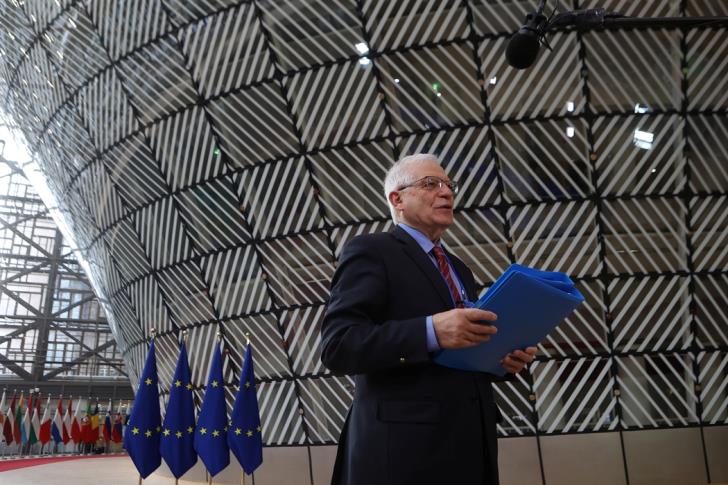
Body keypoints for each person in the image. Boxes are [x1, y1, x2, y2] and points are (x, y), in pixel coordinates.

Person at [320, 153, 537, 485]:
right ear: (397, 199)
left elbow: (456, 356)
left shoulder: (460, 269)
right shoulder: (372, 251)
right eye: (431, 184)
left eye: (449, 185)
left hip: (470, 448)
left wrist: (500, 360)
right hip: (404, 454)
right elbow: (339, 346)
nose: (446, 192)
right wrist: (430, 331)